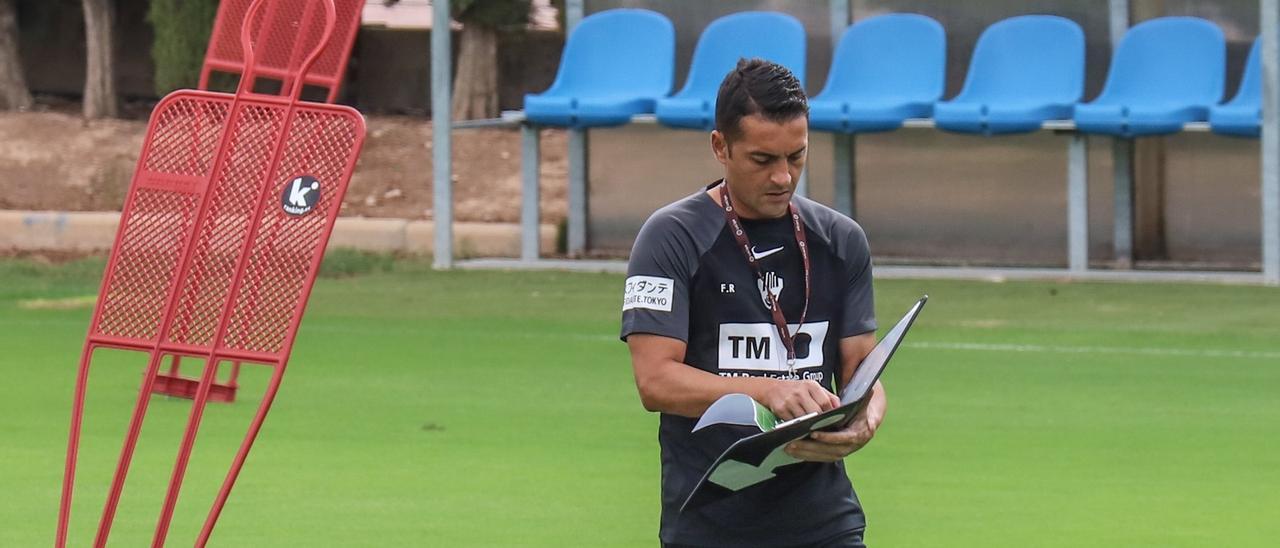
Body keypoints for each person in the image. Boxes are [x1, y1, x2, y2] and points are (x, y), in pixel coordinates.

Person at [619, 58, 885, 548]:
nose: (783, 177)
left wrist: (865, 419)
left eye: (797, 157)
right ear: (721, 147)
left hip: (825, 522)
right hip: (711, 524)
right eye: (763, 160)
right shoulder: (670, 238)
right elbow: (655, 381)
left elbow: (862, 371)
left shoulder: (842, 241)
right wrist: (767, 390)